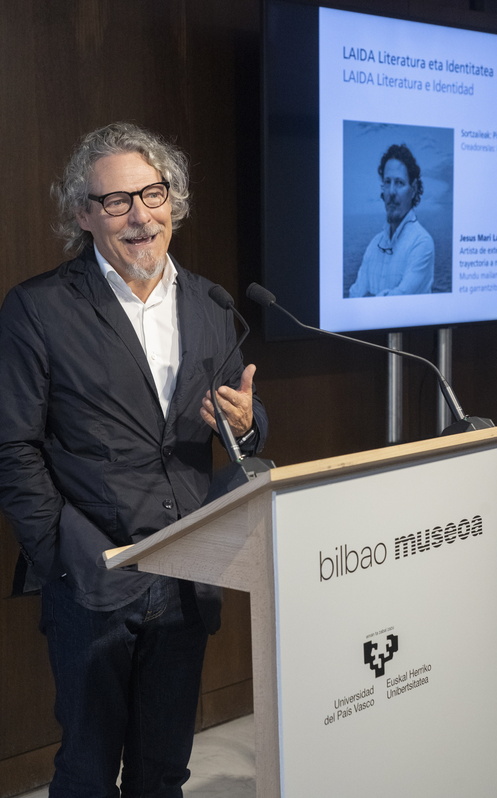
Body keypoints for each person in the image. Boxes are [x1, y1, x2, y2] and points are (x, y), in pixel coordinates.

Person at [0, 122, 268, 798]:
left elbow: (245, 415)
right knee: (88, 771)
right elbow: (12, 445)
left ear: (173, 202)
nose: (139, 216)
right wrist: (61, 549)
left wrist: (249, 424)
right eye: (116, 201)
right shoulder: (37, 309)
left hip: (185, 573)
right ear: (84, 214)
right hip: (91, 574)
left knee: (163, 771)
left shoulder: (211, 303)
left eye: (152, 194)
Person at [348, 143, 435, 297]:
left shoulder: (422, 243)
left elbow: (397, 301)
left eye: (399, 183)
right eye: (387, 182)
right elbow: (354, 295)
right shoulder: (374, 245)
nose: (391, 192)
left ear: (413, 189)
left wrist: (367, 298)